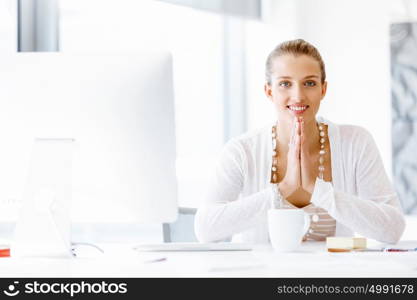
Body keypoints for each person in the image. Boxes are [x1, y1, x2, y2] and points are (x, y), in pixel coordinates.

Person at [194, 39, 405, 244]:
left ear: (323, 89)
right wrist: (282, 191)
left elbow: (393, 229)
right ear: (269, 91)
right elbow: (205, 229)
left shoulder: (356, 143)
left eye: (309, 83)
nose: (298, 96)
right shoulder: (242, 151)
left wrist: (318, 189)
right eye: (285, 84)